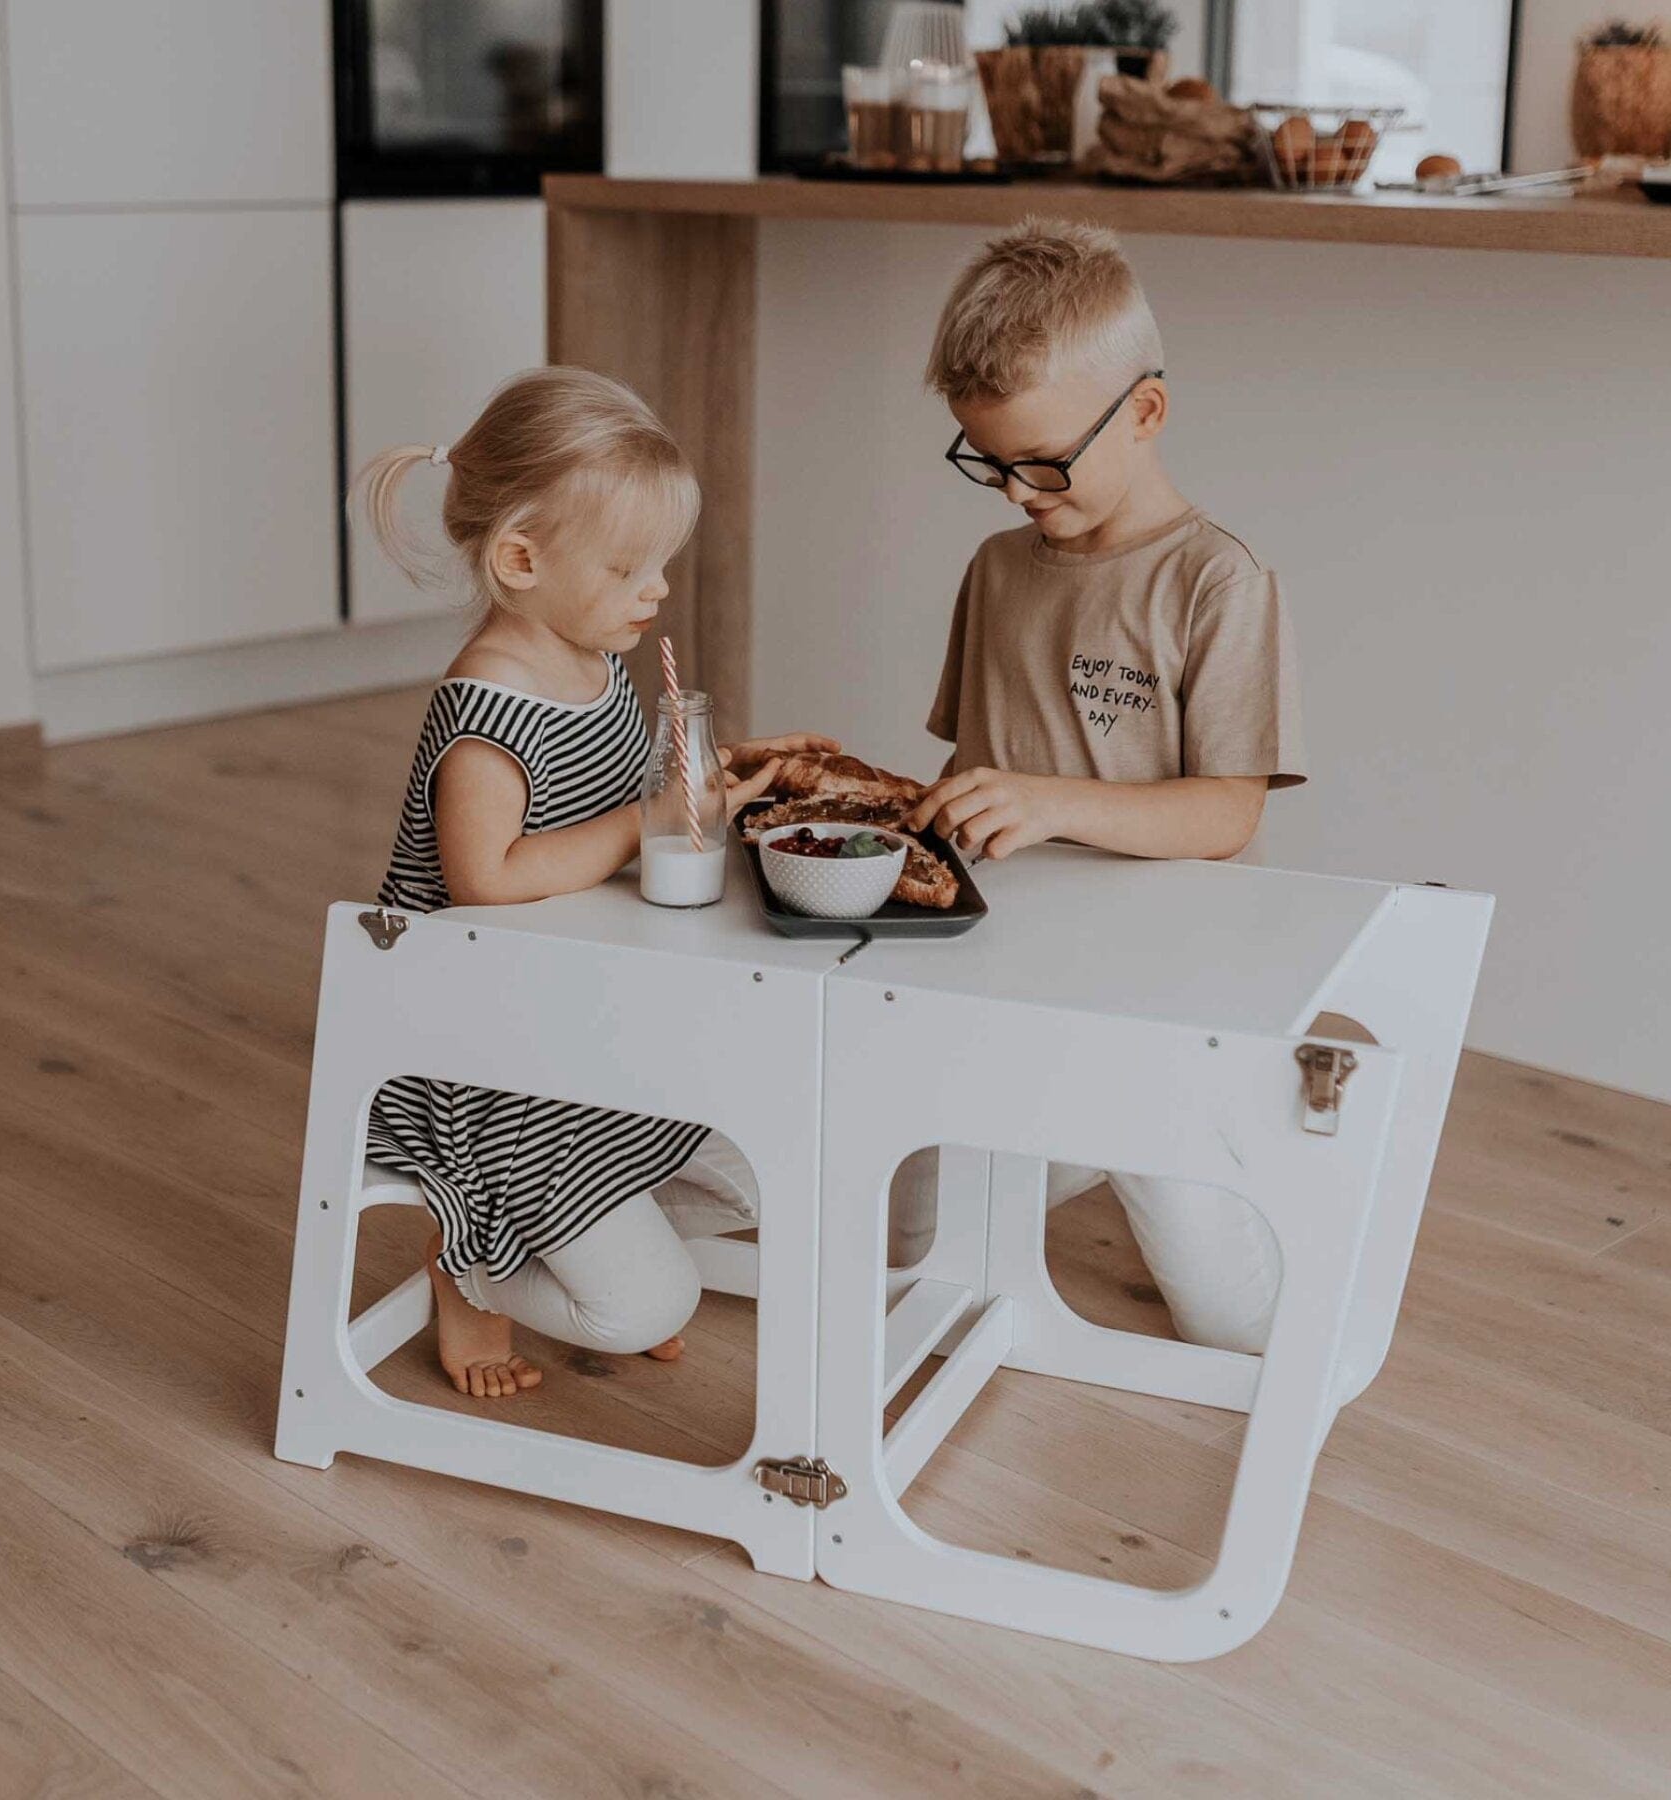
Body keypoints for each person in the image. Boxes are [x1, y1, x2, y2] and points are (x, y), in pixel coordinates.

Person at [356, 367, 836, 1397]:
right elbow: (485, 880)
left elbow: (626, 798)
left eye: (661, 563)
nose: (658, 592)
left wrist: (716, 774)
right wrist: (646, 822)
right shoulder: (486, 709)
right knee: (642, 1310)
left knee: (776, 1159)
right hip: (490, 1068)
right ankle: (472, 1267)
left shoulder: (596, 656)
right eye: (630, 568)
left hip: (591, 1026)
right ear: (521, 559)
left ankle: (587, 1230)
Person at [899, 219, 1308, 1354]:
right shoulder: (996, 570)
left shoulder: (1216, 580)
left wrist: (1048, 802)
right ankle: (1059, 1136)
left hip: (1162, 992)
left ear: (1145, 412)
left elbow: (1228, 812)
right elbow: (970, 760)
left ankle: (1245, 1153)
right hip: (1008, 978)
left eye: (1042, 461)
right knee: (909, 1244)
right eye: (989, 462)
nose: (1017, 492)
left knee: (1237, 1323)